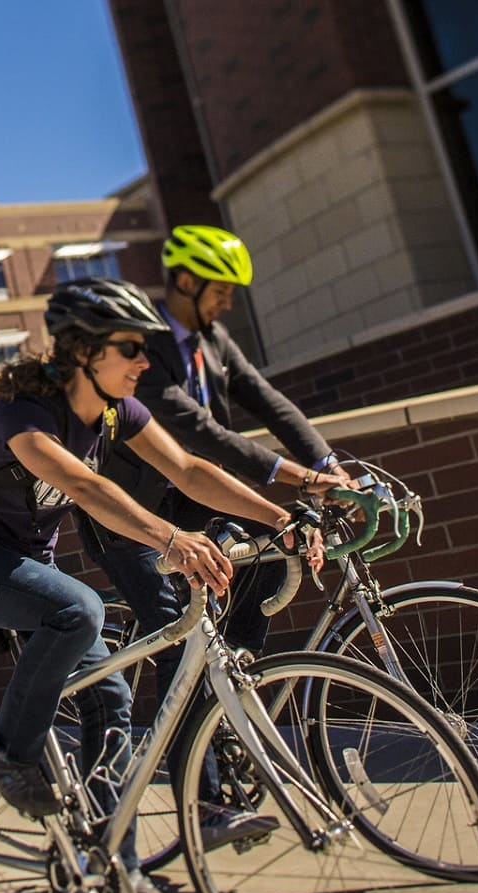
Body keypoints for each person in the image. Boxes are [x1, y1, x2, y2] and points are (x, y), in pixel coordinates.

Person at [0, 278, 321, 893]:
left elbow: (188, 469)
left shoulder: (116, 411)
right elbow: (83, 484)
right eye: (130, 347)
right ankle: (8, 753)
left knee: (111, 699)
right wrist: (171, 538)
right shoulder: (22, 412)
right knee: (80, 611)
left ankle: (116, 871)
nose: (143, 360)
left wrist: (281, 518)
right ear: (84, 351)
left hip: (27, 567)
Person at [91, 225, 353, 663]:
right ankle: (192, 697)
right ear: (186, 281)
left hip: (193, 494)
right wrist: (303, 478)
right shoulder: (141, 347)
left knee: (273, 542)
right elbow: (201, 432)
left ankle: (236, 668)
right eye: (221, 291)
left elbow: (268, 401)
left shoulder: (213, 339)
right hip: (128, 511)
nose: (228, 303)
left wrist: (327, 465)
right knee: (175, 636)